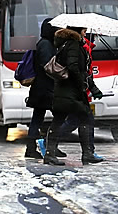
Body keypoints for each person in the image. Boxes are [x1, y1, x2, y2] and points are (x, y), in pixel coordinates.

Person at [44, 26, 103, 166]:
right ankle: (87, 154)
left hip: (64, 90)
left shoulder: (66, 43)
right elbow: (73, 67)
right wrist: (81, 84)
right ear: (77, 31)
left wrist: (91, 87)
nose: (85, 32)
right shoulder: (73, 45)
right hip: (70, 91)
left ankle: (49, 154)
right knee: (85, 118)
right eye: (83, 30)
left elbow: (80, 69)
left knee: (59, 120)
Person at [57, 33, 105, 161]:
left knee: (75, 120)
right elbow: (84, 73)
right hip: (78, 92)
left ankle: (88, 152)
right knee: (86, 120)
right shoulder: (83, 48)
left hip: (77, 91)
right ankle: (88, 153)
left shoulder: (80, 47)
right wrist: (90, 89)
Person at [24, 18, 66, 159]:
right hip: (46, 88)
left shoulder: (44, 43)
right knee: (60, 115)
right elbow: (48, 67)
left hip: (41, 88)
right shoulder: (46, 45)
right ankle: (50, 146)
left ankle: (33, 148)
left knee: (37, 117)